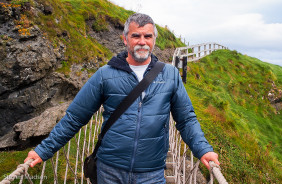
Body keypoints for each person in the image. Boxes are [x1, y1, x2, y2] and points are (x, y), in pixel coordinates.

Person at [25, 13, 220, 183]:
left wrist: (203, 149)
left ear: (154, 40)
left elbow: (186, 119)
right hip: (110, 170)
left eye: (147, 36)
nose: (142, 41)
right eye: (136, 36)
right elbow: (75, 117)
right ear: (125, 39)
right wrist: (43, 150)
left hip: (151, 172)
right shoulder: (105, 75)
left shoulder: (170, 75)